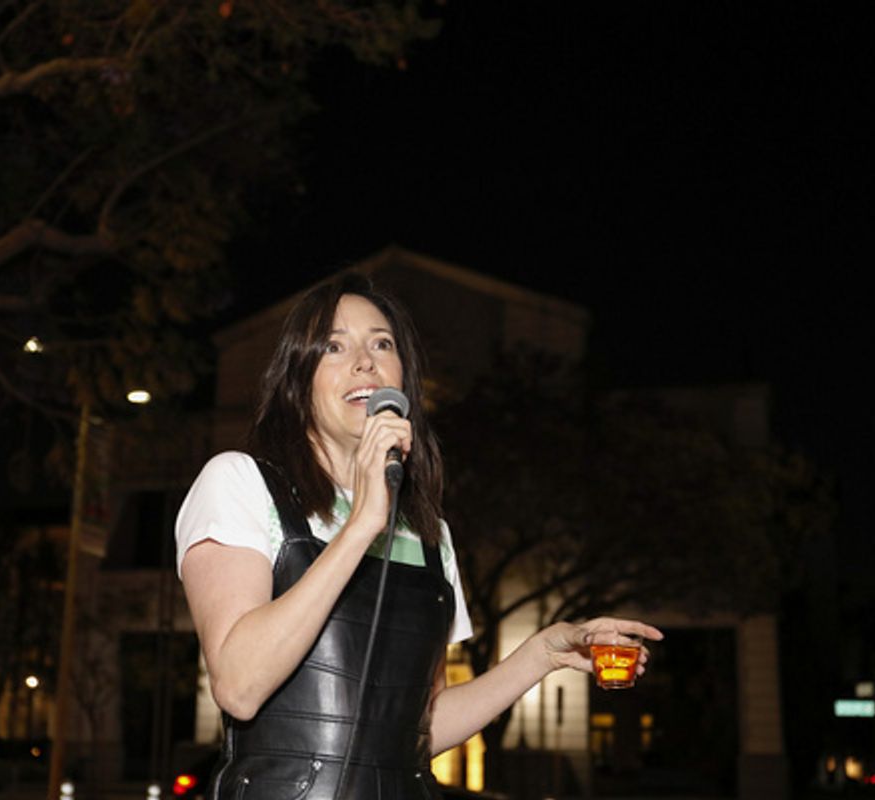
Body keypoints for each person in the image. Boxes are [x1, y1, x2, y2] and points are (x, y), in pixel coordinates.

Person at [175, 271, 663, 799]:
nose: (365, 361)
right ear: (299, 379)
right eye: (334, 347)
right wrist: (362, 524)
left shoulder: (430, 533)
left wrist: (543, 652)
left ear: (403, 382)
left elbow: (421, 728)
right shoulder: (241, 482)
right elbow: (239, 687)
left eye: (381, 344)